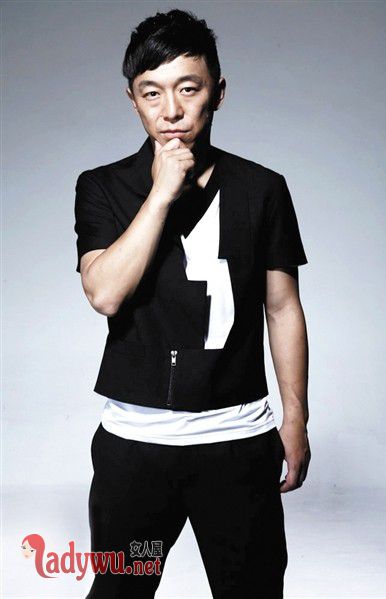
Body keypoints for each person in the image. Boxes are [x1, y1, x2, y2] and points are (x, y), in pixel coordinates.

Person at [74, 8, 311, 599]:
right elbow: (105, 293)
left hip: (237, 440)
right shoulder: (102, 186)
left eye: (188, 88)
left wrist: (296, 418)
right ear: (133, 100)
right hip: (136, 446)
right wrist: (160, 193)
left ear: (217, 93)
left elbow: (282, 308)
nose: (171, 111)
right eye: (151, 92)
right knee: (121, 591)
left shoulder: (262, 188)